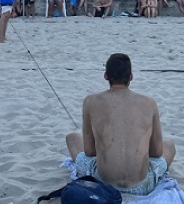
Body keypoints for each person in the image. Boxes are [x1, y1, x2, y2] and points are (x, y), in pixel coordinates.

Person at [66, 53, 175, 195]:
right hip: (141, 186)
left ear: (106, 76)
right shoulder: (149, 103)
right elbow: (157, 152)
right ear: (131, 77)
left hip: (103, 183)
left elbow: (89, 151)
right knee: (169, 145)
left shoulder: (90, 101)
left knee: (72, 138)